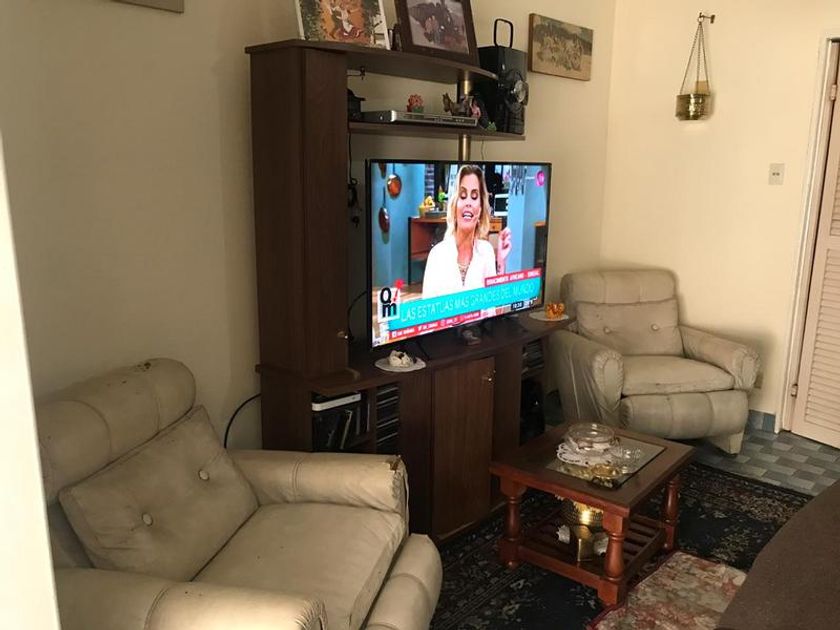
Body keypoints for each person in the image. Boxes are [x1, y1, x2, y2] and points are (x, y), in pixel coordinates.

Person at [422, 165, 512, 298]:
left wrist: (501, 262)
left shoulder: (486, 252)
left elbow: (496, 307)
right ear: (455, 205)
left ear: (480, 209)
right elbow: (428, 309)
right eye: (463, 196)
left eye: (474, 197)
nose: (468, 203)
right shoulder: (437, 255)